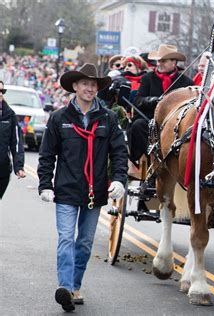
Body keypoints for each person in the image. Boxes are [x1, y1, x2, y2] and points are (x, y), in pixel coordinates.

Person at [37, 64, 128, 311]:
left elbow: (119, 152)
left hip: (94, 192)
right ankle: (65, 287)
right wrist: (45, 184)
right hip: (66, 190)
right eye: (85, 84)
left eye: (94, 85)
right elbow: (47, 155)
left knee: (85, 242)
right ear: (75, 87)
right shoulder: (59, 118)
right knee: (66, 238)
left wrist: (119, 179)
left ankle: (75, 286)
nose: (90, 88)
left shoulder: (108, 118)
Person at [129, 44, 194, 162]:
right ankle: (151, 160)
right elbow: (138, 100)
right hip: (150, 120)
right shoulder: (147, 78)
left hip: (177, 124)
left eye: (163, 61)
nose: (158, 64)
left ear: (174, 63)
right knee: (137, 126)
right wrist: (154, 100)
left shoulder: (187, 82)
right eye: (158, 61)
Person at [0, 80, 26, 199]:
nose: (0, 93)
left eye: (2, 91)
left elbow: (16, 142)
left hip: (2, 170)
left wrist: (19, 167)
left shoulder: (9, 114)